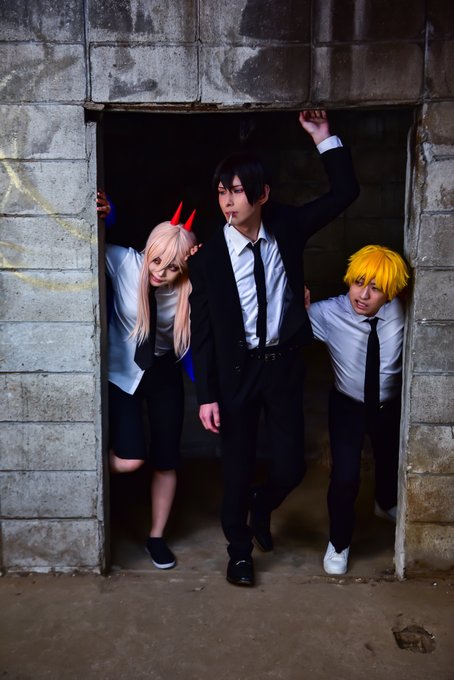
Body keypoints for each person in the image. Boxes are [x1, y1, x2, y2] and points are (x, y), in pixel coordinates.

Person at [188, 110, 360, 586]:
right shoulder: (208, 259)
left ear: (262, 194)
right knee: (237, 469)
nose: (228, 201)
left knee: (290, 466)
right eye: (222, 191)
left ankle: (263, 504)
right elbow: (203, 332)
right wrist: (206, 395)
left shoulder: (287, 224)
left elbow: (345, 193)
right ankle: (239, 552)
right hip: (237, 373)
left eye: (237, 191)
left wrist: (323, 138)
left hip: (283, 365)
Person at [98, 192, 198, 569]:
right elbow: (88, 238)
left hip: (164, 373)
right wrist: (110, 214)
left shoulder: (188, 287)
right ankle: (90, 475)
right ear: (148, 251)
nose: (160, 272)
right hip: (122, 374)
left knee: (165, 458)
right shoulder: (126, 262)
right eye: (156, 261)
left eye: (172, 267)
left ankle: (156, 537)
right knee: (130, 459)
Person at [307, 245, 410, 575]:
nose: (363, 295)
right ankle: (339, 542)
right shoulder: (328, 313)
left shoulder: (403, 310)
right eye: (358, 282)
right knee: (345, 477)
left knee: (390, 458)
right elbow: (283, 326)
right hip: (347, 405)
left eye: (375, 288)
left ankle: (385, 503)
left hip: (389, 404)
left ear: (390, 292)